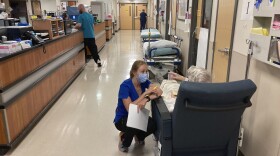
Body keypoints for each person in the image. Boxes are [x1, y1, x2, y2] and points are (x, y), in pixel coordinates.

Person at [114, 60, 163, 153]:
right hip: (123, 118)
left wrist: (147, 99)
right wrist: (145, 93)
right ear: (134, 72)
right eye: (142, 71)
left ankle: (139, 136)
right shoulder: (125, 86)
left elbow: (159, 91)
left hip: (137, 114)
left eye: (146, 71)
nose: (145, 74)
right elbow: (129, 108)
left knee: (153, 124)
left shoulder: (144, 82)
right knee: (133, 124)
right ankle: (124, 141)